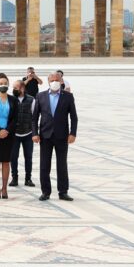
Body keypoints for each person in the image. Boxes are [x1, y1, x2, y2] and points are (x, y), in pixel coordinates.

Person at [33, 72, 78, 201]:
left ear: (61, 81)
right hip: (45, 136)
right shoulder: (40, 96)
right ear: (48, 81)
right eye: (52, 80)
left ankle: (63, 191)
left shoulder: (68, 96)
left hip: (62, 136)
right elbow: (35, 117)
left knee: (62, 164)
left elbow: (74, 117)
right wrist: (35, 133)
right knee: (44, 165)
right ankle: (45, 192)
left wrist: (73, 133)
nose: (54, 82)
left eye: (57, 80)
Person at [9, 80, 36, 187]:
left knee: (28, 157)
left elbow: (34, 117)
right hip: (14, 134)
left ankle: (28, 178)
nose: (14, 90)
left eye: (16, 88)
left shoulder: (31, 99)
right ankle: (14, 178)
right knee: (13, 157)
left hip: (28, 133)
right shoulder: (10, 99)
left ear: (22, 88)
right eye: (13, 88)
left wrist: (35, 133)